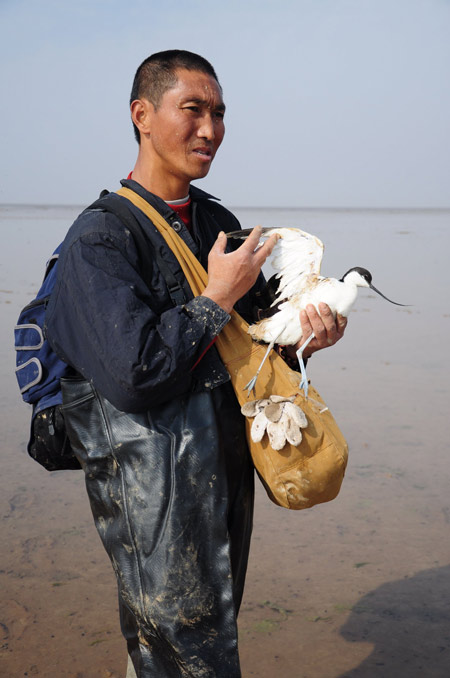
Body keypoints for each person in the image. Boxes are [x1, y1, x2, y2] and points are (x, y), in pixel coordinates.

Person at [45, 50, 346, 678]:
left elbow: (252, 345)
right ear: (143, 115)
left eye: (218, 113)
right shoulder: (101, 238)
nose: (210, 129)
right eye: (192, 110)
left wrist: (305, 338)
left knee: (205, 633)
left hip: (222, 471)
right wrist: (215, 297)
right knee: (176, 646)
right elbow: (135, 374)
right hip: (150, 485)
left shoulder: (216, 222)